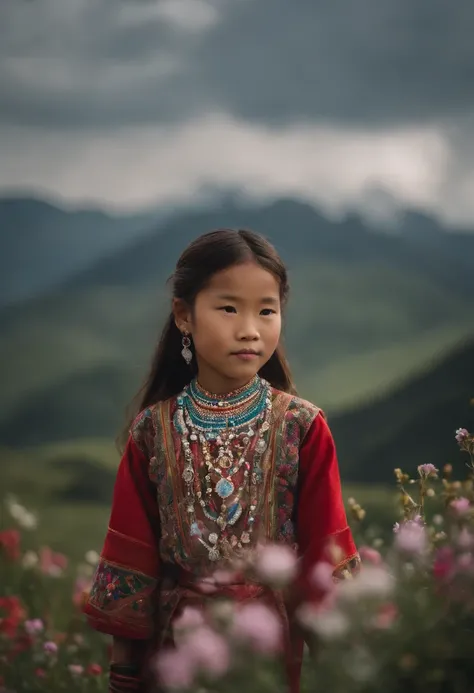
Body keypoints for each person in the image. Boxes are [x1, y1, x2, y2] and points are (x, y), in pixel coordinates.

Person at [83, 228, 360, 693]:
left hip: (268, 655)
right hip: (173, 657)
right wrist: (124, 674)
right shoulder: (152, 432)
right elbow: (132, 558)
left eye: (266, 311)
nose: (250, 328)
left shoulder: (302, 428)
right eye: (229, 308)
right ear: (183, 315)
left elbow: (324, 557)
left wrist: (344, 665)